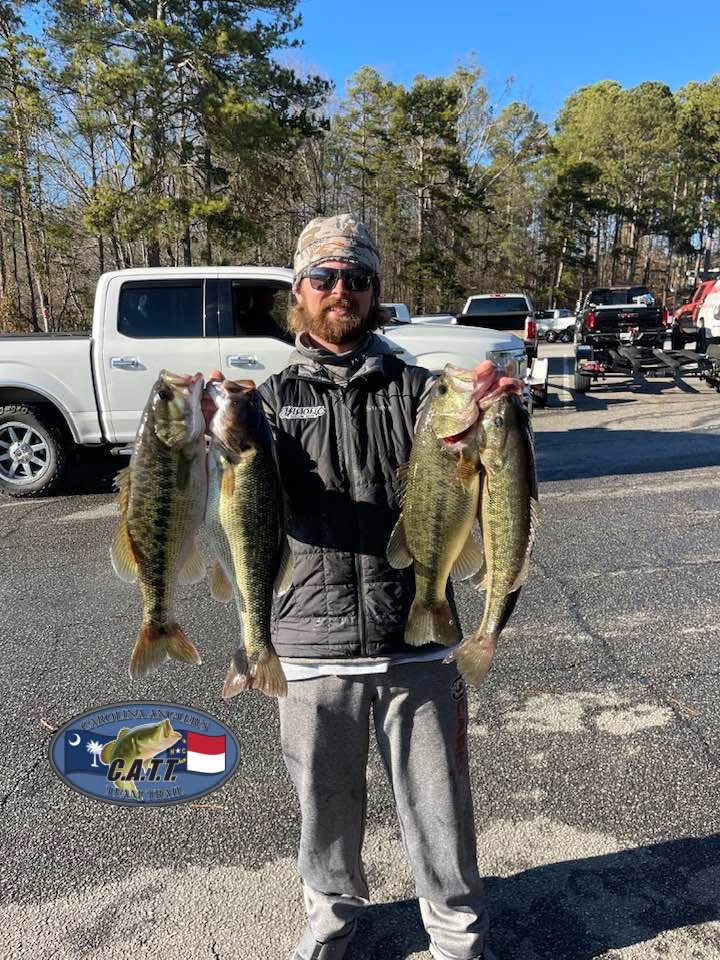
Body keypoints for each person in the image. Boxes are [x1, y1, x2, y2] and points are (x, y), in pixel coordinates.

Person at [206, 214, 496, 960]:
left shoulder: (420, 391)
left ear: (374, 290)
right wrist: (207, 432)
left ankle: (457, 938)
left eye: (358, 278)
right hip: (308, 643)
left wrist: (491, 414)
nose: (342, 291)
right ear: (298, 291)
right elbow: (238, 505)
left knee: (440, 807)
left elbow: (473, 474)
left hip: (417, 640)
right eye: (325, 277)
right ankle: (332, 923)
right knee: (324, 808)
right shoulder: (268, 401)